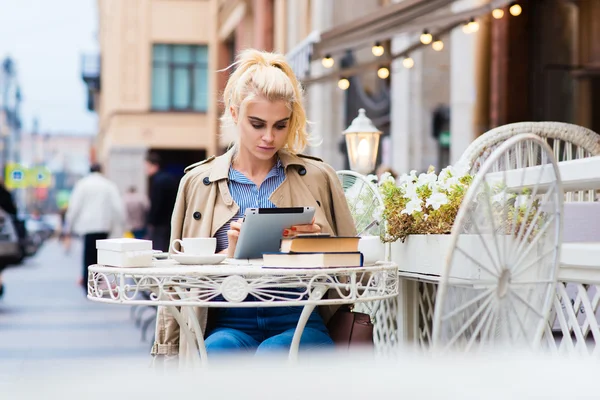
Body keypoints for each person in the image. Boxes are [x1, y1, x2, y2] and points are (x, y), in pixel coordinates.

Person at [151, 49, 356, 359]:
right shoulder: (197, 183)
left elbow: (355, 264)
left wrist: (308, 248)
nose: (269, 138)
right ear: (234, 114)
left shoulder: (317, 176)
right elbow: (177, 281)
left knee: (274, 354)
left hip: (299, 316)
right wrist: (228, 256)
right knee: (217, 353)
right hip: (229, 319)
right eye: (257, 124)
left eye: (280, 125)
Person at [65, 163, 126, 291]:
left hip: (87, 227)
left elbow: (74, 207)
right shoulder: (109, 185)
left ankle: (89, 285)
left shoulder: (82, 184)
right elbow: (118, 207)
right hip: (104, 225)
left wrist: (69, 225)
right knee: (100, 257)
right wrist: (121, 225)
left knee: (88, 257)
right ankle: (98, 283)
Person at [145, 152, 178, 252]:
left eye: (147, 166)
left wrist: (150, 220)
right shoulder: (169, 178)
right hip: (170, 220)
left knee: (159, 249)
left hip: (160, 223)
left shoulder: (158, 181)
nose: (145, 170)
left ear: (154, 165)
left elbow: (156, 204)